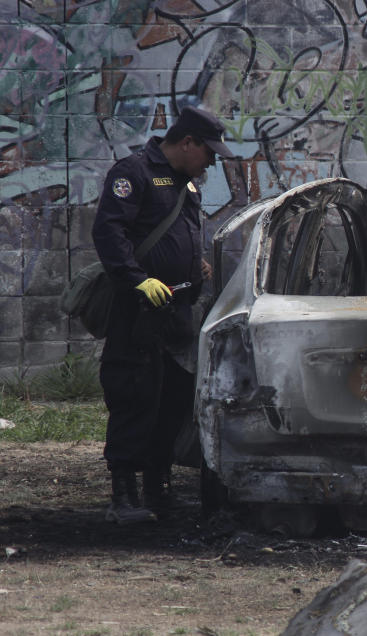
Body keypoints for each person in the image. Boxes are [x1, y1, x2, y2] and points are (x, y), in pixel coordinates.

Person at [92, 106, 234, 524]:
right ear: (187, 142)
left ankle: (158, 484)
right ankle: (124, 496)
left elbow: (179, 233)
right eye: (209, 152)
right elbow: (109, 231)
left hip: (178, 311)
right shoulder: (133, 172)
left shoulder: (187, 184)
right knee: (134, 395)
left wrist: (196, 266)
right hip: (140, 309)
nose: (213, 160)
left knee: (173, 398)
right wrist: (136, 279)